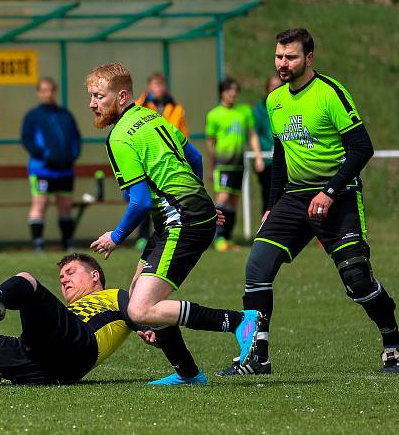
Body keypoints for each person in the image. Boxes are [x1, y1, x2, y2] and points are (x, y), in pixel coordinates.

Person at [218, 28, 399, 376]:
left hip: (339, 194)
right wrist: (272, 204)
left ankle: (392, 341)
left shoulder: (330, 93)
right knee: (256, 268)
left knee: (357, 279)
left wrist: (330, 191)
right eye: (279, 56)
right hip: (293, 197)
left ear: (309, 58)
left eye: (290, 57)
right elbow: (279, 155)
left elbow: (362, 147)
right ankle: (256, 356)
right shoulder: (274, 101)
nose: (283, 63)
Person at [85, 62, 262, 386]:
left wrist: (117, 236)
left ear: (122, 96)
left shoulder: (119, 138)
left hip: (182, 221)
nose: (92, 104)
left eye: (99, 96)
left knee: (139, 310)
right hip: (183, 216)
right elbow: (193, 158)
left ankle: (239, 321)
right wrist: (200, 200)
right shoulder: (153, 118)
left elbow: (139, 202)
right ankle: (188, 373)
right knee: (139, 300)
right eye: (92, 97)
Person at [0, 253, 156, 385]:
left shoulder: (114, 295)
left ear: (95, 276)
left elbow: (137, 312)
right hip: (39, 364)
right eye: (61, 277)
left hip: (78, 346)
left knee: (27, 279)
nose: (64, 279)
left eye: (71, 272)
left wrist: (145, 327)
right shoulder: (63, 312)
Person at [20, 77, 81, 251]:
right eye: (44, 90)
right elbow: (27, 140)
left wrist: (73, 155)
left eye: (51, 90)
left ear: (55, 91)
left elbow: (76, 138)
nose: (48, 94)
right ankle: (38, 244)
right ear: (38, 93)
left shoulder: (65, 115)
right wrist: (45, 155)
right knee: (40, 204)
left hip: (65, 170)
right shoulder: (32, 116)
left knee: (66, 205)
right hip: (42, 169)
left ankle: (68, 243)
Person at [205, 77, 264, 251]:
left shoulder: (244, 111)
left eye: (235, 90)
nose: (233, 93)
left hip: (239, 165)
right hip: (223, 165)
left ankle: (228, 237)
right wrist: (212, 164)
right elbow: (210, 142)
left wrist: (259, 156)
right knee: (222, 199)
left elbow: (252, 135)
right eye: (229, 90)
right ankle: (218, 237)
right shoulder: (214, 115)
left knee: (233, 202)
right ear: (222, 93)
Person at [133, 71, 189, 250]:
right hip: (147, 160)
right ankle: (142, 236)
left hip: (169, 162)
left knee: (169, 198)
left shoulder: (176, 107)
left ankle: (170, 231)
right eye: (156, 85)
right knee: (146, 199)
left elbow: (183, 134)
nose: (159, 88)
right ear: (149, 87)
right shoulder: (139, 107)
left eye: (162, 85)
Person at [253, 75, 283, 215]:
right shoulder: (259, 110)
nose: (277, 89)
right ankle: (266, 228)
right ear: (267, 89)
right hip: (267, 161)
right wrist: (259, 157)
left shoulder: (287, 106)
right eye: (273, 86)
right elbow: (254, 135)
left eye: (279, 86)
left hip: (286, 161)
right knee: (269, 196)